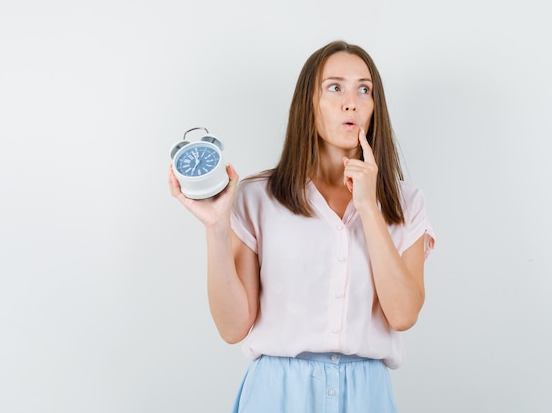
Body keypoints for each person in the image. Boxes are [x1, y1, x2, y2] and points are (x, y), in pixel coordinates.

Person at [168, 40, 435, 413]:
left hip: (367, 394)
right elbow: (233, 328)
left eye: (364, 89)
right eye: (334, 87)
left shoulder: (406, 203)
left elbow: (403, 315)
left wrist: (369, 209)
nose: (351, 102)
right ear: (308, 103)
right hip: (277, 392)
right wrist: (216, 227)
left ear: (375, 107)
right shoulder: (258, 197)